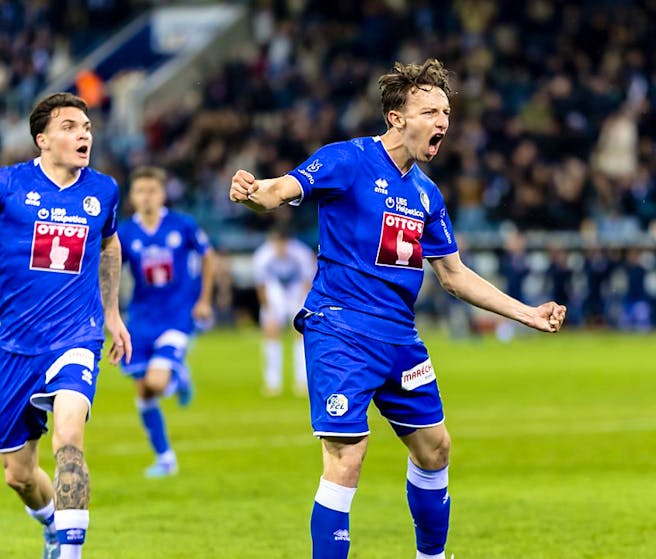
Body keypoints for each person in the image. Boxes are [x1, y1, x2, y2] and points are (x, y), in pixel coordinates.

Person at [228, 59, 566, 559]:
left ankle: (431, 557)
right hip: (340, 328)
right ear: (396, 117)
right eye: (430, 111)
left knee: (436, 448)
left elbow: (453, 276)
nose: (443, 122)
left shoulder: (427, 195)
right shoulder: (347, 160)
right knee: (346, 456)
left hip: (400, 339)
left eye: (446, 112)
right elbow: (283, 190)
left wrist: (528, 313)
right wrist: (255, 192)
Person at [0, 92, 131, 559]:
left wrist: (113, 314)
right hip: (16, 347)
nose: (83, 134)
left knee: (68, 439)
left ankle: (71, 551)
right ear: (42, 139)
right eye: (69, 126)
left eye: (86, 126)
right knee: (18, 474)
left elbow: (109, 246)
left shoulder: (103, 190)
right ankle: (49, 524)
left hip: (76, 338)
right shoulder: (5, 184)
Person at [116, 166, 214, 477]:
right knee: (144, 392)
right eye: (140, 191)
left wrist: (204, 300)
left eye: (152, 190)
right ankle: (165, 458)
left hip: (177, 315)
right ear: (132, 196)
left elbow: (209, 256)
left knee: (157, 383)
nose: (147, 197)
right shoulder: (125, 233)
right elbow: (112, 270)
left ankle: (177, 376)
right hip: (141, 319)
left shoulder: (181, 225)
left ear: (162, 194)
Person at [251, 225, 316, 396]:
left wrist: (302, 307)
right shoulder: (262, 256)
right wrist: (268, 309)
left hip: (296, 289)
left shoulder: (301, 254)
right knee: (271, 332)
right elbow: (261, 285)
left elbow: (307, 282)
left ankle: (302, 380)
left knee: (301, 334)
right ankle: (272, 381)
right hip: (275, 289)